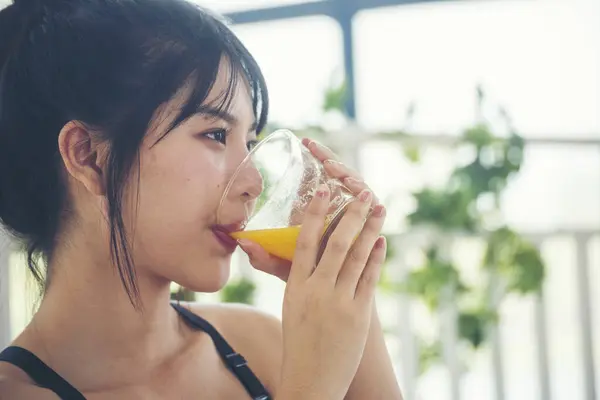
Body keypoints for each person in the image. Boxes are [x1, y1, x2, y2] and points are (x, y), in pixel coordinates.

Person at [0, 0, 403, 398]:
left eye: (248, 143)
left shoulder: (260, 345)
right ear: (88, 157)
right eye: (215, 134)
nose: (253, 183)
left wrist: (345, 275)